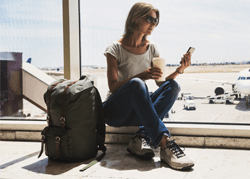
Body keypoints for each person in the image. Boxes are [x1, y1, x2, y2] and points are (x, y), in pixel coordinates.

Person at [103, 2, 194, 170]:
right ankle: (165, 144)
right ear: (134, 18)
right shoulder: (115, 48)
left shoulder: (152, 48)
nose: (153, 24)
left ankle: (141, 136)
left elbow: (161, 82)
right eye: (149, 19)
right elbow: (114, 86)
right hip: (115, 112)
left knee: (173, 86)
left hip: (138, 111)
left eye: (156, 21)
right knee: (137, 84)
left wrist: (179, 69)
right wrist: (141, 76)